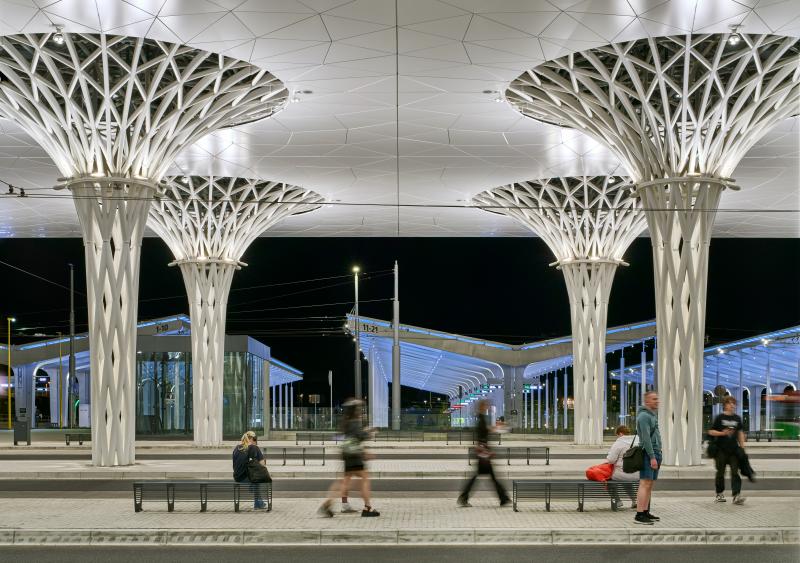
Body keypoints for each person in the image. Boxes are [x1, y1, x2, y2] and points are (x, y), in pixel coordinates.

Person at [318, 399, 380, 517]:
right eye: (359, 409)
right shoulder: (355, 422)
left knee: (344, 481)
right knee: (365, 478)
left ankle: (327, 503)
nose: (361, 411)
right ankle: (367, 508)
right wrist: (371, 432)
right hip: (355, 456)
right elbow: (360, 437)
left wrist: (363, 449)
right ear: (355, 410)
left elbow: (347, 439)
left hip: (347, 455)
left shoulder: (346, 422)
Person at [457, 399, 510, 507]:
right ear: (481, 407)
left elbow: (484, 432)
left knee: (485, 477)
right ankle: (503, 498)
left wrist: (494, 428)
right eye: (486, 405)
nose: (487, 407)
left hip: (482, 453)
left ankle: (503, 498)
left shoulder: (481, 419)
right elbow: (481, 437)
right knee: (491, 477)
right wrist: (486, 453)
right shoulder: (481, 419)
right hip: (483, 455)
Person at [709, 396, 746, 504]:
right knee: (720, 473)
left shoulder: (737, 418)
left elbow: (740, 433)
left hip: (733, 451)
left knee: (735, 473)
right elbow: (711, 431)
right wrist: (722, 433)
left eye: (733, 403)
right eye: (730, 403)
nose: (732, 405)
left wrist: (742, 448)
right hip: (721, 451)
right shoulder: (719, 418)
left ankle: (736, 496)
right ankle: (719, 494)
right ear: (725, 405)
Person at [634, 391, 661, 525]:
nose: (657, 401)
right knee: (644, 483)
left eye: (657, 399)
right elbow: (645, 439)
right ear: (647, 401)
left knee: (649, 484)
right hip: (648, 453)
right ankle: (639, 514)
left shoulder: (652, 415)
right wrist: (652, 456)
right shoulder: (644, 416)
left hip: (655, 452)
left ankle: (645, 511)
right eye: (654, 399)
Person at [605, 425, 639, 509]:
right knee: (626, 478)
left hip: (623, 474)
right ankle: (635, 500)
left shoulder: (619, 443)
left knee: (607, 478)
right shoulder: (638, 441)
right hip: (638, 474)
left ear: (620, 433)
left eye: (616, 435)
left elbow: (611, 460)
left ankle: (617, 501)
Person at [232, 430, 267, 510]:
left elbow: (234, 464)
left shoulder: (236, 448)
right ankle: (258, 504)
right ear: (251, 439)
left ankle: (259, 502)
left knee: (255, 479)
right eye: (255, 440)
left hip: (237, 477)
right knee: (258, 479)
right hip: (247, 478)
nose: (256, 442)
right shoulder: (254, 447)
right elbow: (262, 465)